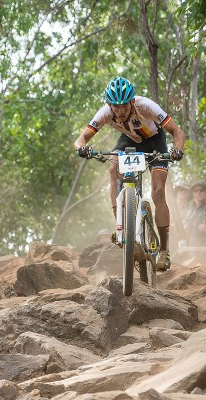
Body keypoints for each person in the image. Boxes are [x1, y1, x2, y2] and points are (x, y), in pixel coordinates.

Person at [74, 77, 186, 270]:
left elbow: (177, 131)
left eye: (124, 106)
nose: (120, 111)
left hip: (154, 141)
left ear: (132, 101)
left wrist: (177, 150)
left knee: (158, 193)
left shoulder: (146, 106)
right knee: (113, 168)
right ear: (109, 105)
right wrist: (83, 148)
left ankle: (164, 251)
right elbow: (81, 138)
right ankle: (121, 226)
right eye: (115, 107)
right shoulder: (105, 113)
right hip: (129, 140)